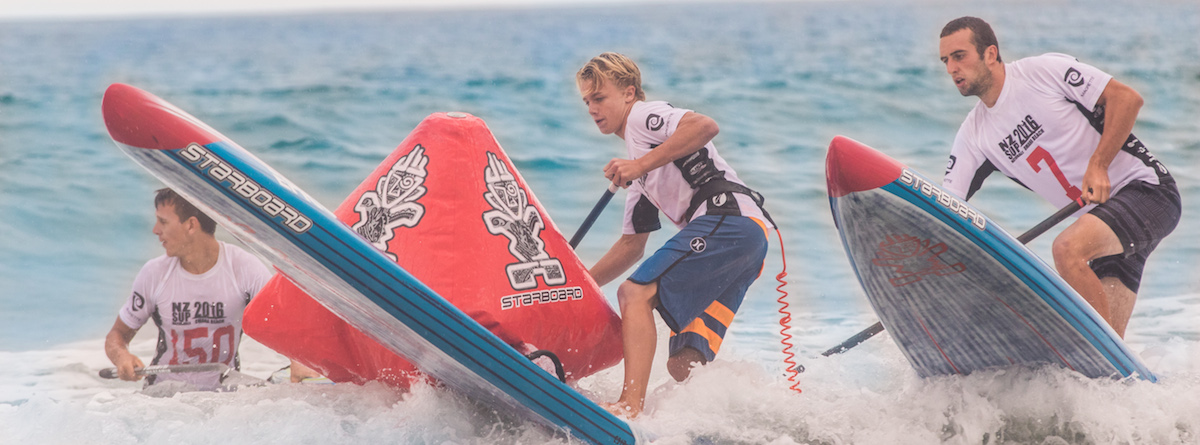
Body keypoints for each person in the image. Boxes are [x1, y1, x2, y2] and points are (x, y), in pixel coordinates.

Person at [938, 17, 1180, 338]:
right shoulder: (974, 135)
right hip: (1106, 227)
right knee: (1105, 354)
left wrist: (1099, 163)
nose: (952, 68)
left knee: (1067, 250)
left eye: (959, 56)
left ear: (991, 54)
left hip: (1149, 192)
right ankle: (1128, 386)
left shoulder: (1042, 72)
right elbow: (946, 205)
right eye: (945, 61)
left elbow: (1126, 98)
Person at [576, 52, 774, 417]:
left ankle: (628, 406)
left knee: (634, 294)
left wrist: (639, 165)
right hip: (745, 241)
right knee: (685, 365)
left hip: (729, 221)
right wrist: (579, 285)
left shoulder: (642, 119)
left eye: (599, 98)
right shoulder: (639, 169)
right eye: (587, 101)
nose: (592, 108)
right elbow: (632, 245)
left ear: (629, 93)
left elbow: (704, 126)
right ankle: (750, 410)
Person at [104, 188, 272, 391]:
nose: (156, 230)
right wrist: (122, 357)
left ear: (191, 225)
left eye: (163, 221)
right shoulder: (154, 273)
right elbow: (117, 334)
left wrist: (300, 363)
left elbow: (284, 324)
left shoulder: (245, 268)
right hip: (164, 396)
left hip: (225, 401)